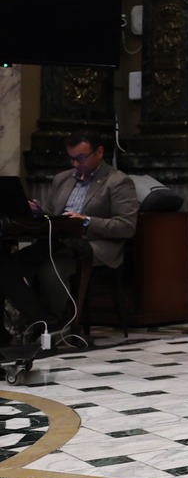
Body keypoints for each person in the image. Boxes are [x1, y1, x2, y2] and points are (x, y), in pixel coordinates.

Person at [1, 130, 139, 342]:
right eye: (72, 158)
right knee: (6, 267)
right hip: (58, 241)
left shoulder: (118, 182)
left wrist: (86, 221)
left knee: (50, 269)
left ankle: (53, 324)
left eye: (81, 158)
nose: (75, 164)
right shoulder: (62, 179)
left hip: (94, 244)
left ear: (99, 152)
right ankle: (46, 321)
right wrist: (37, 211)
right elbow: (52, 213)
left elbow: (126, 226)